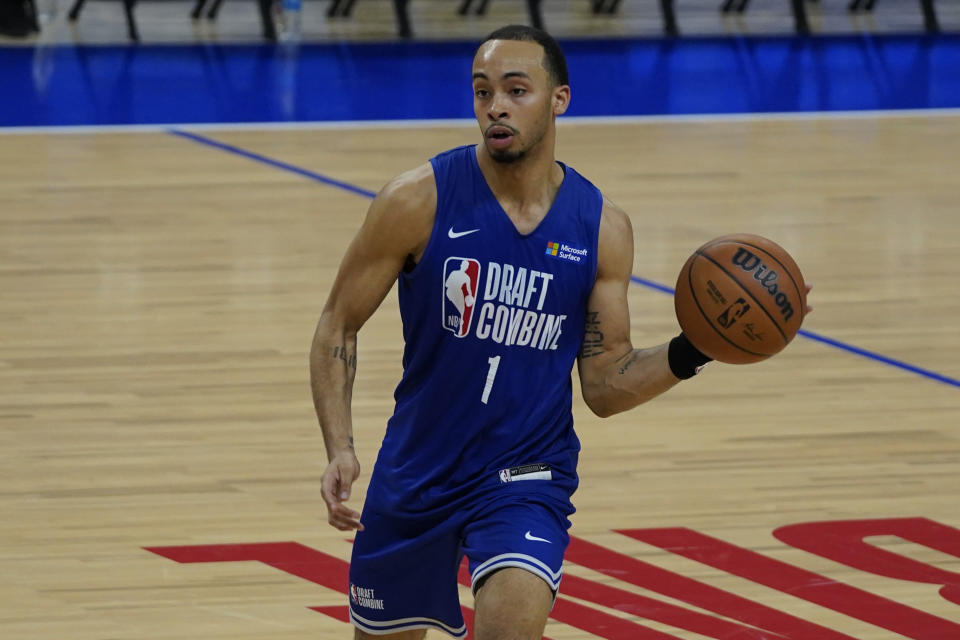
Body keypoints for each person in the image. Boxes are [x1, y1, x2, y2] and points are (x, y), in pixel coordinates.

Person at [310, 24, 750, 640]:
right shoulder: (416, 201)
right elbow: (338, 325)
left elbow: (604, 384)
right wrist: (340, 445)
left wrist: (694, 349)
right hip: (419, 469)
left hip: (525, 476)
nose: (496, 106)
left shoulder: (601, 228)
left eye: (517, 90)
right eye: (483, 91)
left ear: (559, 99)